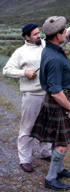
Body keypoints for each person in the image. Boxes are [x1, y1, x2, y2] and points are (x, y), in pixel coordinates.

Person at [30, 16, 70, 191]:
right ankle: (51, 178)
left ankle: (58, 170)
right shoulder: (54, 58)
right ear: (58, 35)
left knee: (58, 139)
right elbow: (55, 92)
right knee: (64, 142)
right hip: (58, 101)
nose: (66, 33)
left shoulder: (51, 49)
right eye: (64, 31)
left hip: (56, 100)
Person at [3, 23, 52, 173]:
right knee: (28, 128)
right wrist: (24, 73)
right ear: (27, 37)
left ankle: (45, 152)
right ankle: (24, 159)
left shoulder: (45, 44)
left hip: (49, 93)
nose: (39, 36)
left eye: (39, 33)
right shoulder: (20, 52)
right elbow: (6, 70)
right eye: (35, 34)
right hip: (32, 95)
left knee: (47, 125)